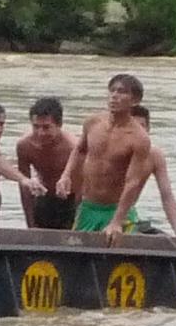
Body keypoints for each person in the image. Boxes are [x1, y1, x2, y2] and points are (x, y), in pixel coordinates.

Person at [54, 72, 154, 242]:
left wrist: (117, 222)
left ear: (135, 100)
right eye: (112, 90)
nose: (114, 96)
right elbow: (79, 150)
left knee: (117, 252)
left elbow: (133, 182)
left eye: (122, 92)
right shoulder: (93, 123)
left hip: (117, 210)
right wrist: (66, 175)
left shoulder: (139, 138)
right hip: (88, 207)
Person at [16, 96, 78, 229]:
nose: (40, 133)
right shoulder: (25, 145)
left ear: (59, 125)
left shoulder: (72, 147)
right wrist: (30, 224)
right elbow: (24, 185)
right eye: (36, 127)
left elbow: (83, 187)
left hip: (70, 200)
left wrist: (77, 223)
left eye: (46, 127)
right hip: (44, 197)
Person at [130, 104, 176, 235]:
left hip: (130, 216)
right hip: (100, 214)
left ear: (148, 129)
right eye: (132, 127)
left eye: (141, 126)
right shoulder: (109, 150)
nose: (137, 133)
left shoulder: (154, 156)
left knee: (164, 239)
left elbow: (167, 196)